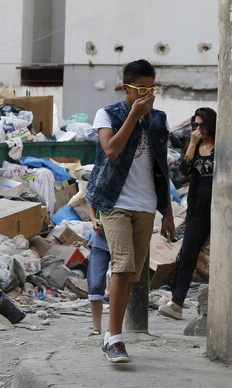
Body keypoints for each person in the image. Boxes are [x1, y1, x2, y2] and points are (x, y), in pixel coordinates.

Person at [85, 59, 175, 364]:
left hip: (145, 204)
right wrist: (134, 117)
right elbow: (111, 150)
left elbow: (161, 168)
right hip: (114, 202)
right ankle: (116, 339)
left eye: (152, 89)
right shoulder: (108, 113)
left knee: (131, 275)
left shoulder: (158, 119)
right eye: (140, 89)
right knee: (123, 266)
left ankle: (111, 335)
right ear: (126, 89)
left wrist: (168, 212)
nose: (147, 95)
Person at [158, 108, 216, 320]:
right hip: (197, 208)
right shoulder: (195, 146)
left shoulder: (222, 146)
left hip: (220, 209)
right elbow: (181, 175)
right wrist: (191, 144)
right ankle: (176, 303)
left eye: (203, 125)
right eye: (195, 125)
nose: (199, 130)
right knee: (188, 254)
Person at [87, 204, 111, 336]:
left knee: (119, 284)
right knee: (95, 284)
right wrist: (94, 220)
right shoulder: (102, 185)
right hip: (100, 241)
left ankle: (113, 329)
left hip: (121, 241)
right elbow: (92, 203)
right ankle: (96, 328)